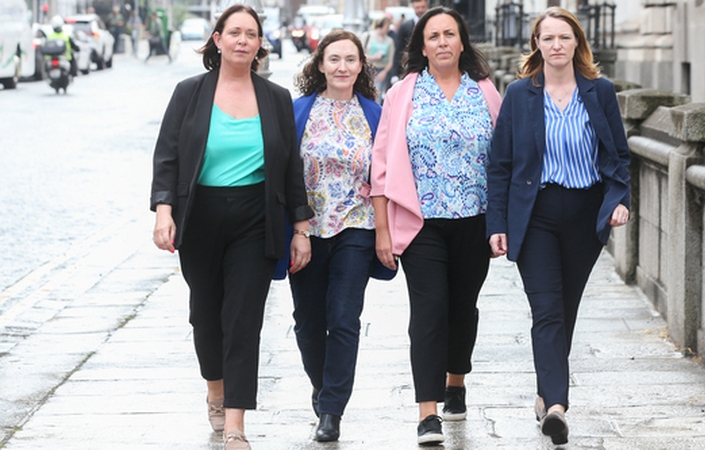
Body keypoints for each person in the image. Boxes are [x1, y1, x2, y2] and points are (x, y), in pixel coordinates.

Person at [150, 5, 313, 449]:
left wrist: (300, 227)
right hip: (199, 214)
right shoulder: (189, 93)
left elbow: (291, 167)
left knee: (243, 318)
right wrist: (164, 211)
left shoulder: (276, 98)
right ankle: (216, 391)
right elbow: (167, 157)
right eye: (234, 32)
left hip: (255, 216)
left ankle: (237, 422)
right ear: (217, 39)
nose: (243, 40)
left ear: (261, 44)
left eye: (251, 34)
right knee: (205, 315)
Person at [486, 6, 631, 445]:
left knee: (564, 310)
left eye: (564, 38)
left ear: (576, 44)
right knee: (546, 309)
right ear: (537, 44)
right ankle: (557, 407)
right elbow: (500, 165)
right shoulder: (519, 94)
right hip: (537, 215)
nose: (556, 46)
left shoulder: (599, 91)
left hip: (586, 215)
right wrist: (497, 222)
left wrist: (618, 201)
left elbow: (618, 157)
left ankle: (545, 390)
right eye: (547, 38)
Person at [370, 6, 501, 446]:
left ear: (462, 42)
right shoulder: (402, 93)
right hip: (420, 221)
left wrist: (503, 220)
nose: (442, 42)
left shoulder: (484, 91)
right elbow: (382, 164)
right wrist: (383, 230)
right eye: (434, 36)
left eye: (450, 34)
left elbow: (503, 158)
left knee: (463, 309)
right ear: (421, 46)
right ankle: (428, 413)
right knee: (429, 310)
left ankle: (456, 380)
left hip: (474, 220)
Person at [290, 29, 383, 443]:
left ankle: (331, 410)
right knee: (308, 322)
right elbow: (285, 173)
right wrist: (298, 228)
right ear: (320, 65)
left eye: (350, 59)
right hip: (306, 230)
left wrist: (383, 230)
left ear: (361, 65)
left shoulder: (374, 115)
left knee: (344, 319)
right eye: (334, 59)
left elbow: (385, 176)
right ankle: (322, 385)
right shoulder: (298, 111)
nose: (342, 67)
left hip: (356, 226)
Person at [390, 0, 428, 85]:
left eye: (422, 7)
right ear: (413, 8)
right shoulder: (405, 26)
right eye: (417, 7)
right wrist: (395, 74)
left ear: (427, 7)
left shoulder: (433, 24)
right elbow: (398, 49)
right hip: (410, 67)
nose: (420, 10)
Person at [363, 17, 394, 100]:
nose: (388, 30)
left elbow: (391, 60)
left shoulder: (389, 41)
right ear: (380, 26)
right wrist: (373, 57)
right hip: (368, 67)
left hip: (381, 69)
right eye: (387, 27)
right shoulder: (368, 36)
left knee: (377, 94)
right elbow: (360, 54)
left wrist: (384, 72)